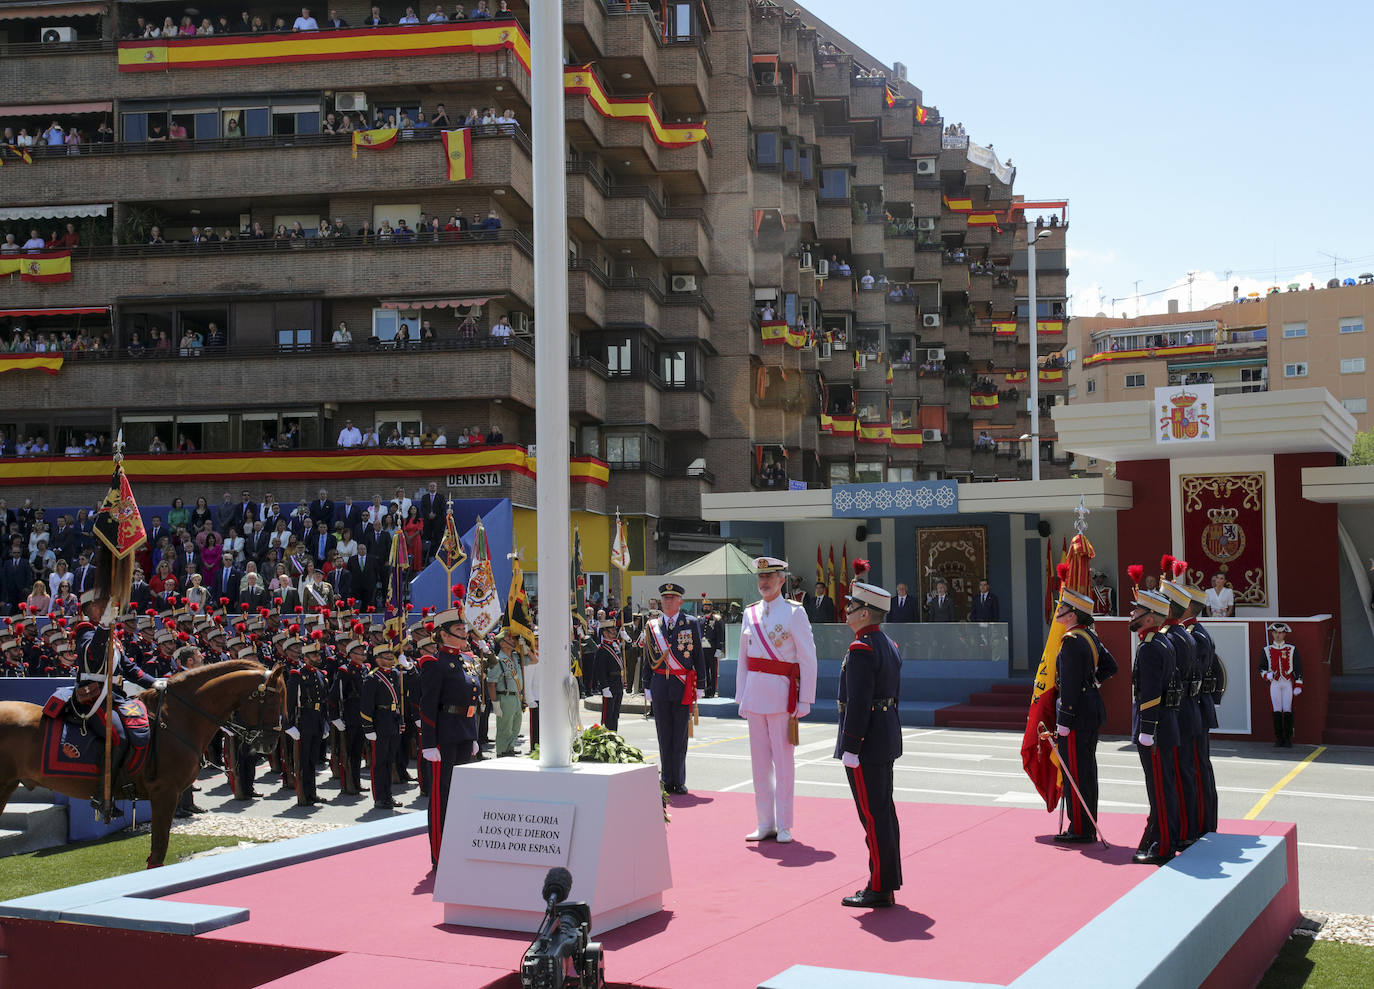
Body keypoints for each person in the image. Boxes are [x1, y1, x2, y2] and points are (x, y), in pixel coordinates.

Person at [736, 557, 817, 844]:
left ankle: (784, 824)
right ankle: (764, 823)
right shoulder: (750, 613)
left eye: (770, 576)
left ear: (782, 579)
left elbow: (808, 658)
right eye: (761, 576)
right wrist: (741, 695)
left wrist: (805, 699)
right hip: (755, 695)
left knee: (783, 763)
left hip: (783, 696)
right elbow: (744, 659)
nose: (764, 582)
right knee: (759, 765)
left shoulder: (795, 613)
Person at [834, 581, 902, 908]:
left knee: (873, 817)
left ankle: (879, 887)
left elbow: (859, 702)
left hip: (866, 742)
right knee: (884, 812)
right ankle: (887, 880)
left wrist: (850, 745)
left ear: (864, 613)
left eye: (850, 607)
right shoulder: (888, 644)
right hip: (884, 736)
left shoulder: (861, 648)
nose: (845, 612)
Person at [419, 601, 483, 868]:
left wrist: (474, 735)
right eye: (459, 629)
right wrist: (429, 743)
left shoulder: (467, 662)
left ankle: (458, 847)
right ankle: (440, 854)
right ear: (443, 634)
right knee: (442, 796)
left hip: (464, 733)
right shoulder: (435, 663)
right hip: (444, 736)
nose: (465, 633)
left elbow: (473, 700)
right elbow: (428, 704)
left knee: (460, 795)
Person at [1052, 587, 1117, 843]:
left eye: (1064, 607)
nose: (1060, 609)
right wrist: (1093, 682)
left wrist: (1064, 720)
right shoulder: (1090, 637)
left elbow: (1068, 686)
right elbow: (1111, 666)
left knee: (1076, 773)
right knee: (1087, 770)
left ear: (1073, 613)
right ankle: (1087, 824)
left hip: (1076, 715)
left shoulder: (1071, 642)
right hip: (1091, 709)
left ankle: (1080, 828)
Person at [1127, 584, 1180, 865]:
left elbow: (1150, 694)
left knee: (1159, 788)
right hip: (1166, 724)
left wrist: (1146, 730)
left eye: (1137, 610)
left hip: (1155, 728)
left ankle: (1162, 847)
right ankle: (1158, 837)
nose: (1132, 613)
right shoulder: (1161, 641)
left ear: (1150, 618)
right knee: (1163, 786)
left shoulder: (1149, 648)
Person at [645, 582, 705, 795]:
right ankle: (666, 778)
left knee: (679, 735)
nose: (668, 601)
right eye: (665, 598)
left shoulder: (690, 623)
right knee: (663, 734)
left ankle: (677, 780)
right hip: (660, 684)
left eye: (672, 598)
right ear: (661, 601)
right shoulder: (652, 625)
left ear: (680, 601)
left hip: (682, 685)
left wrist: (702, 685)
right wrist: (646, 685)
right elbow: (648, 657)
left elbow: (698, 655)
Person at [1161, 579, 1203, 847]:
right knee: (1184, 771)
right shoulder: (1183, 634)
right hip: (1187, 709)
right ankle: (1189, 829)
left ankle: (1183, 832)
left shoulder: (1171, 637)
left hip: (1177, 712)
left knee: (1178, 773)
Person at [361, 640, 405, 809]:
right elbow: (366, 706)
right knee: (379, 763)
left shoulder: (395, 674)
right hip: (379, 723)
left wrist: (400, 722)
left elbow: (399, 701)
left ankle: (388, 795)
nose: (390, 658)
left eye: (391, 655)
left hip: (392, 722)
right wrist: (368, 728)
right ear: (378, 659)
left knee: (389, 761)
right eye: (387, 656)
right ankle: (380, 797)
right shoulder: (372, 678)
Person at [284, 634, 327, 806]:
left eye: (319, 655)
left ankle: (312, 793)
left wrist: (324, 723)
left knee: (312, 760)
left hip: (316, 721)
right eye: (315, 655)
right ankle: (303, 794)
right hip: (304, 721)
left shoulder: (320, 674)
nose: (318, 658)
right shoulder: (297, 675)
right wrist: (289, 725)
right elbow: (290, 701)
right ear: (306, 658)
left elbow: (323, 701)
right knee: (303, 761)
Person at [1260, 622, 1302, 748]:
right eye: (1276, 633)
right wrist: (1267, 675)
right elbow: (1261, 668)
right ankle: (1279, 738)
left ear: (1284, 634)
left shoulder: (1291, 649)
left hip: (1287, 682)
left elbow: (1298, 668)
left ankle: (1288, 737)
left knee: (1287, 709)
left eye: (1281, 633)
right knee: (1277, 709)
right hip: (1275, 683)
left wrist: (1299, 684)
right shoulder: (1266, 650)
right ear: (1272, 634)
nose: (1278, 635)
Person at [487, 629, 525, 754]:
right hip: (505, 696)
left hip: (516, 697)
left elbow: (535, 660)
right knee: (504, 728)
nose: (512, 641)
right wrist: (495, 704)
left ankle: (510, 748)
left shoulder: (515, 657)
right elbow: (491, 683)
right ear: (502, 643)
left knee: (516, 726)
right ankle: (502, 752)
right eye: (508, 640)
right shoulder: (498, 660)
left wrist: (524, 646)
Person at [590, 619, 625, 732]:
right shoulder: (602, 649)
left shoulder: (616, 645)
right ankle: (605, 737)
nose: (614, 632)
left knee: (615, 714)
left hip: (618, 683)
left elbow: (628, 650)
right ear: (605, 633)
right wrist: (604, 687)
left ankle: (614, 736)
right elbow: (600, 670)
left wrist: (627, 639)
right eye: (612, 630)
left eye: (614, 630)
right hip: (609, 683)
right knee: (607, 715)